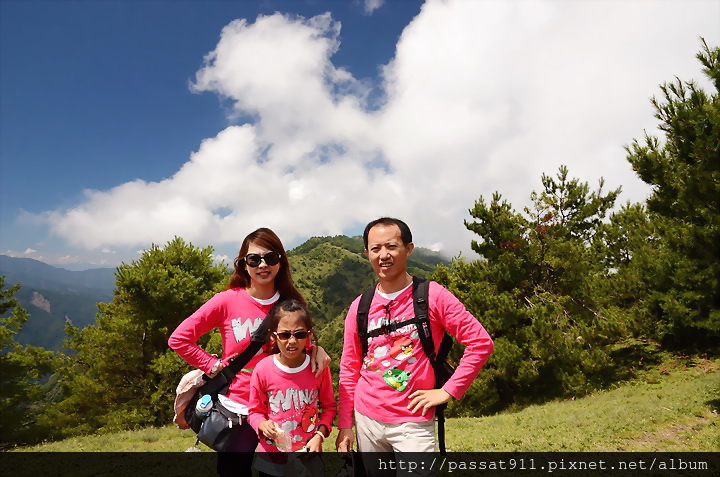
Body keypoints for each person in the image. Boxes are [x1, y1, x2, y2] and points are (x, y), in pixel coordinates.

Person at [168, 227, 330, 477]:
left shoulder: (289, 304)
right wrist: (212, 365)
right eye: (254, 259)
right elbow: (179, 338)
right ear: (243, 264)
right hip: (237, 409)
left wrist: (316, 348)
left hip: (283, 410)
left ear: (281, 262)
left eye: (271, 258)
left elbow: (298, 342)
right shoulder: (226, 301)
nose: (262, 265)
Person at [336, 218, 494, 462]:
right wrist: (346, 424)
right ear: (367, 253)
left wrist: (448, 391)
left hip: (413, 419)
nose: (383, 255)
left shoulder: (432, 295)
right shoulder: (360, 306)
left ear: (408, 249)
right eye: (376, 249)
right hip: (366, 418)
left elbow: (480, 342)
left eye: (391, 246)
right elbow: (349, 367)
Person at [248, 299, 336, 477]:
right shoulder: (263, 369)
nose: (292, 341)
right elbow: (254, 411)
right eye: (285, 335)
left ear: (309, 335)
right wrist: (262, 424)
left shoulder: (317, 367)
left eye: (299, 334)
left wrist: (319, 435)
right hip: (271, 460)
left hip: (308, 456)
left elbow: (329, 407)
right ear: (273, 336)